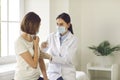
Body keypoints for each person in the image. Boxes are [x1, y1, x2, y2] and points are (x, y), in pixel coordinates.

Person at [41, 12, 78, 80]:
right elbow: (41, 53)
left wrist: (51, 57)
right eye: (57, 24)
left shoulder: (74, 40)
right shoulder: (51, 36)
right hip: (53, 73)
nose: (58, 27)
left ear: (68, 25)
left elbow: (67, 60)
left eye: (61, 24)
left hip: (67, 75)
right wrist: (42, 47)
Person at [14, 12, 48, 80]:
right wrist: (35, 45)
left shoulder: (34, 38)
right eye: (38, 25)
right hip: (24, 78)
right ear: (32, 25)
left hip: (36, 77)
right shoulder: (19, 42)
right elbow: (34, 65)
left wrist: (45, 77)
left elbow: (40, 59)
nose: (39, 27)